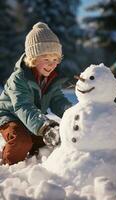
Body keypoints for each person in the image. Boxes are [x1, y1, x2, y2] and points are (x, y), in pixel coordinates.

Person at [0, 22, 72, 165]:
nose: (51, 64)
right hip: (10, 118)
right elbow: (23, 106)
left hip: (33, 121)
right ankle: (8, 164)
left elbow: (57, 100)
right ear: (33, 59)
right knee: (21, 141)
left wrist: (73, 114)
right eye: (46, 59)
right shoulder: (19, 78)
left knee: (57, 136)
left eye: (55, 60)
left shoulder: (51, 78)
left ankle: (38, 159)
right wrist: (44, 126)